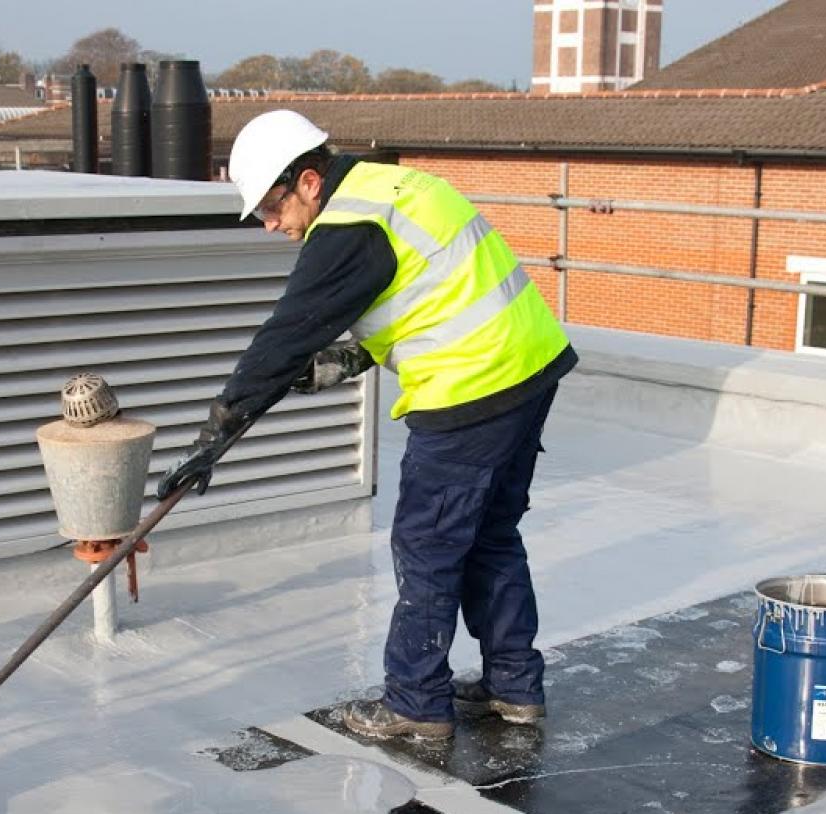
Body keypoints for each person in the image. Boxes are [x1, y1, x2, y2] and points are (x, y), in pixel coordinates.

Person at [156, 110, 576, 742]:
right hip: (530, 369)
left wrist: (215, 435)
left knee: (427, 548)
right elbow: (430, 290)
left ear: (306, 181)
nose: (271, 226)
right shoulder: (394, 188)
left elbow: (285, 336)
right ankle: (515, 688)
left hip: (471, 391)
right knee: (491, 536)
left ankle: (415, 703)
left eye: (270, 208)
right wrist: (351, 357)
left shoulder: (347, 226)